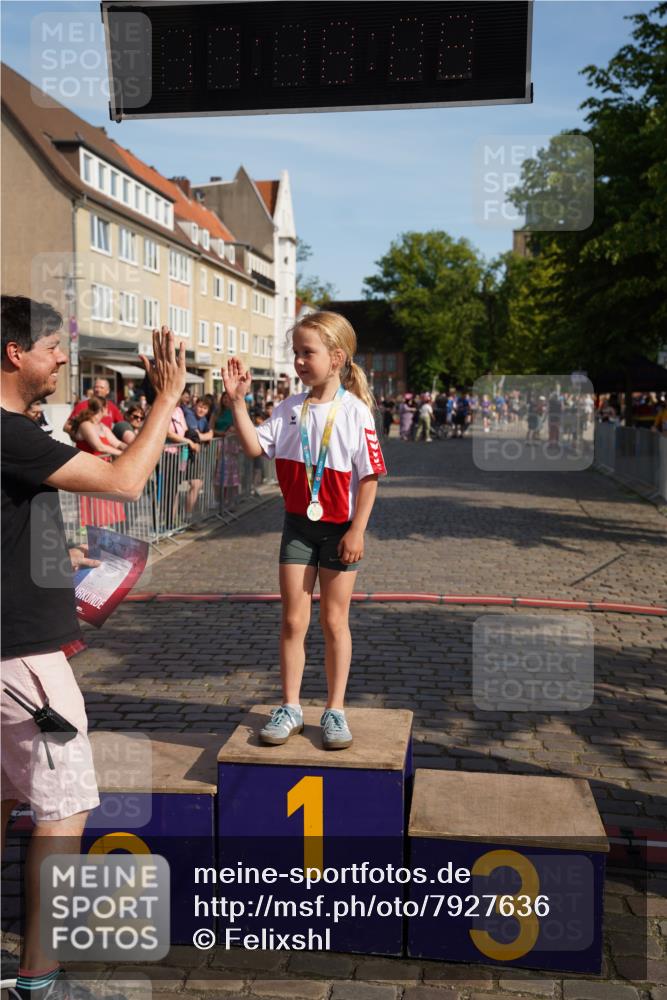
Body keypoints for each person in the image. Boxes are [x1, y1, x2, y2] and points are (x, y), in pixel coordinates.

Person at [1, 296, 186, 1000]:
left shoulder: (15, 430)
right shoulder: (7, 430)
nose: (60, 361)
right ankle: (39, 976)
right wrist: (165, 398)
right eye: (51, 346)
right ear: (15, 353)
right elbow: (125, 479)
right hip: (21, 661)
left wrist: (63, 551)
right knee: (63, 805)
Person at [223, 310, 386, 751]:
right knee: (293, 619)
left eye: (306, 353)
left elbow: (370, 477)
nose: (298, 361)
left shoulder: (355, 413)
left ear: (336, 357)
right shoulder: (288, 408)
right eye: (295, 352)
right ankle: (291, 706)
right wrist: (237, 402)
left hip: (339, 530)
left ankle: (335, 710)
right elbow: (255, 447)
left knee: (335, 621)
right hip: (297, 526)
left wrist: (358, 531)